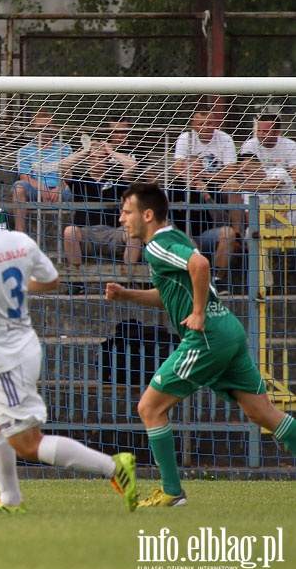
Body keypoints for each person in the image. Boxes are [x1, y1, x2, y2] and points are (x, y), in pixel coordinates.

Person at [0, 183, 138, 514]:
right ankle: (10, 500)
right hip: (16, 346)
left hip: (6, 358)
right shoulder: (18, 241)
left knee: (28, 444)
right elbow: (51, 280)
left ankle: (113, 467)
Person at [106, 181, 296, 507]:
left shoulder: (156, 246)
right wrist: (127, 294)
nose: (122, 219)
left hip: (207, 336)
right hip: (227, 330)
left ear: (147, 214)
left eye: (127, 212)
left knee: (149, 407)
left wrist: (196, 314)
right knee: (261, 412)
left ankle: (171, 491)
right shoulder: (172, 236)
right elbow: (170, 294)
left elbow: (201, 266)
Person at [170, 107, 240, 286]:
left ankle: (218, 281)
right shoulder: (177, 186)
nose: (205, 128)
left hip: (214, 205)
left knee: (228, 232)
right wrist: (193, 181)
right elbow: (178, 169)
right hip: (185, 233)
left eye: (209, 123)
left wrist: (206, 183)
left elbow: (230, 172)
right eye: (201, 124)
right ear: (193, 125)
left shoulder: (224, 139)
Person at [59, 134, 140, 268]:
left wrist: (111, 151)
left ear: (107, 159)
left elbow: (132, 165)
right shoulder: (80, 178)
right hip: (86, 233)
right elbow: (63, 166)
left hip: (113, 232)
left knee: (134, 232)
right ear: (88, 160)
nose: (97, 161)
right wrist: (86, 151)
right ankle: (76, 284)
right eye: (93, 158)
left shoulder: (116, 177)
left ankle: (129, 280)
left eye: (101, 158)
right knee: (69, 231)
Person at [222, 113, 296, 236]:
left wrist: (240, 186)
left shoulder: (279, 170)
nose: (260, 134)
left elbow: (273, 184)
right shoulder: (249, 187)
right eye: (259, 130)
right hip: (265, 228)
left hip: (290, 223)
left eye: (265, 131)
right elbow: (251, 218)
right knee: (250, 233)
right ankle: (238, 235)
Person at [12, 109, 72, 232]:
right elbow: (24, 176)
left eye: (48, 126)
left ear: (53, 127)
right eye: (40, 127)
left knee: (73, 190)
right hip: (35, 188)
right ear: (33, 128)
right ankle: (20, 233)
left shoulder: (65, 149)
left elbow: (68, 177)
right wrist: (41, 188)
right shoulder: (25, 151)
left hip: (60, 188)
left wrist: (58, 188)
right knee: (18, 188)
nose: (44, 130)